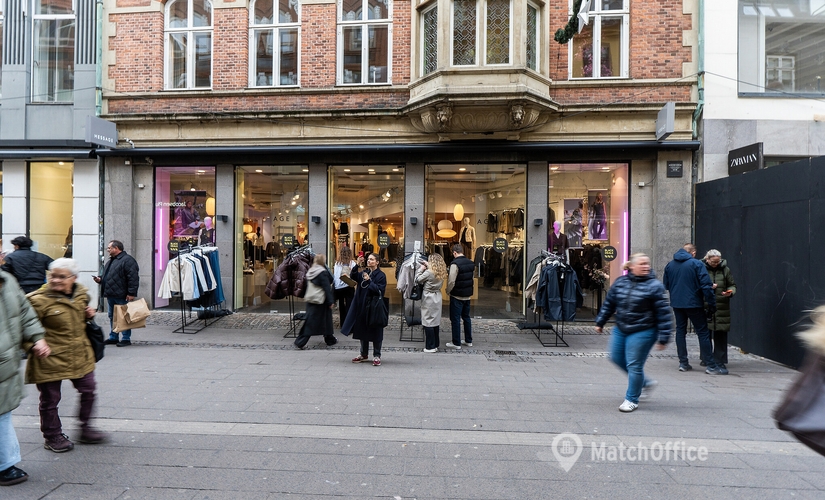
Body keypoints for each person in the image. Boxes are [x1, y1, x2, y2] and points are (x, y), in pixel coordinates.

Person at [26, 258, 108, 453]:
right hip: (49, 357)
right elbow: (24, 328)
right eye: (52, 276)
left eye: (62, 277)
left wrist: (89, 316)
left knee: (88, 390)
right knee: (50, 399)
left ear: (73, 278)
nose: (56, 280)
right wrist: (34, 344)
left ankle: (85, 428)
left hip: (79, 353)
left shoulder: (81, 295)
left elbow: (79, 320)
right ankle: (52, 435)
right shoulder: (37, 300)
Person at [595, 253, 671, 412]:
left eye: (647, 264)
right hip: (622, 327)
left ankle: (631, 399)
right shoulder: (620, 282)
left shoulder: (655, 286)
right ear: (631, 266)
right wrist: (600, 322)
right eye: (642, 264)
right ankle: (645, 383)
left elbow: (663, 313)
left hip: (644, 330)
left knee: (634, 364)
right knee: (615, 357)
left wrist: (664, 338)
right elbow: (609, 303)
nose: (645, 266)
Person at [0, 268, 49, 486]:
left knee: (3, 413)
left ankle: (5, 464)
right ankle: (4, 465)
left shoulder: (7, 279)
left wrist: (37, 338)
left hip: (6, 363)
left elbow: (23, 311)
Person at [662, 243, 726, 374]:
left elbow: (666, 285)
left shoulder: (670, 265)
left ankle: (683, 363)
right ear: (693, 253)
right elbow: (706, 286)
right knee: (702, 332)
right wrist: (712, 304)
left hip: (677, 303)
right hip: (694, 303)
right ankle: (711, 365)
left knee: (680, 331)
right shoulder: (697, 264)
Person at [340, 253, 387, 366]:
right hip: (362, 305)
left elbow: (379, 291)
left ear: (377, 262)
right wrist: (357, 264)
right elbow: (354, 276)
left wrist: (369, 281)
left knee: (375, 331)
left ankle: (377, 355)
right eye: (368, 259)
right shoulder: (364, 272)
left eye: (372, 259)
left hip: (374, 306)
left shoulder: (381, 275)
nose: (369, 261)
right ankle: (363, 353)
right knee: (362, 329)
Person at [93, 240, 140, 347]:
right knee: (112, 316)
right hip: (111, 294)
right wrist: (100, 279)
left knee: (123, 316)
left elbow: (133, 278)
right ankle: (113, 337)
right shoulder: (111, 261)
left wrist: (131, 293)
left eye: (109, 248)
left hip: (122, 294)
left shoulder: (128, 260)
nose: (108, 250)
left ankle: (126, 338)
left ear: (116, 248)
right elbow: (108, 276)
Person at [294, 254, 337, 349]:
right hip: (321, 300)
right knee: (313, 322)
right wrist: (331, 301)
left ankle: (330, 338)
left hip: (311, 299)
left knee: (320, 320)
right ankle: (300, 341)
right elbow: (327, 287)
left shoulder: (311, 271)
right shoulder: (322, 272)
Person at [703, 249, 736, 370]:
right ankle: (706, 358)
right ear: (707, 259)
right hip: (706, 305)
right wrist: (708, 287)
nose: (716, 264)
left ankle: (719, 359)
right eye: (713, 262)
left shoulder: (725, 270)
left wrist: (730, 292)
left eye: (718, 262)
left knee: (721, 334)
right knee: (705, 333)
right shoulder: (701, 268)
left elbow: (732, 284)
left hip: (722, 305)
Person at [416, 253, 448, 353]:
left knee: (427, 321)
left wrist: (421, 269)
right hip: (437, 296)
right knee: (435, 321)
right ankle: (435, 344)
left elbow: (418, 279)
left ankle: (430, 346)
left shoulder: (429, 272)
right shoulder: (442, 271)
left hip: (428, 296)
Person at [446, 244, 474, 349]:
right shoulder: (470, 263)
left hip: (457, 295)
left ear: (454, 252)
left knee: (455, 319)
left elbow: (451, 281)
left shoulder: (455, 264)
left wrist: (448, 291)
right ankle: (468, 340)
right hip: (467, 295)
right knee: (466, 317)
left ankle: (456, 342)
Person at [332, 246, 357, 326]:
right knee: (350, 306)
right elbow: (354, 276)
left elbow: (335, 276)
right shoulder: (352, 263)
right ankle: (349, 325)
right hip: (348, 287)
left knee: (341, 306)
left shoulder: (337, 263)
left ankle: (342, 324)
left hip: (338, 288)